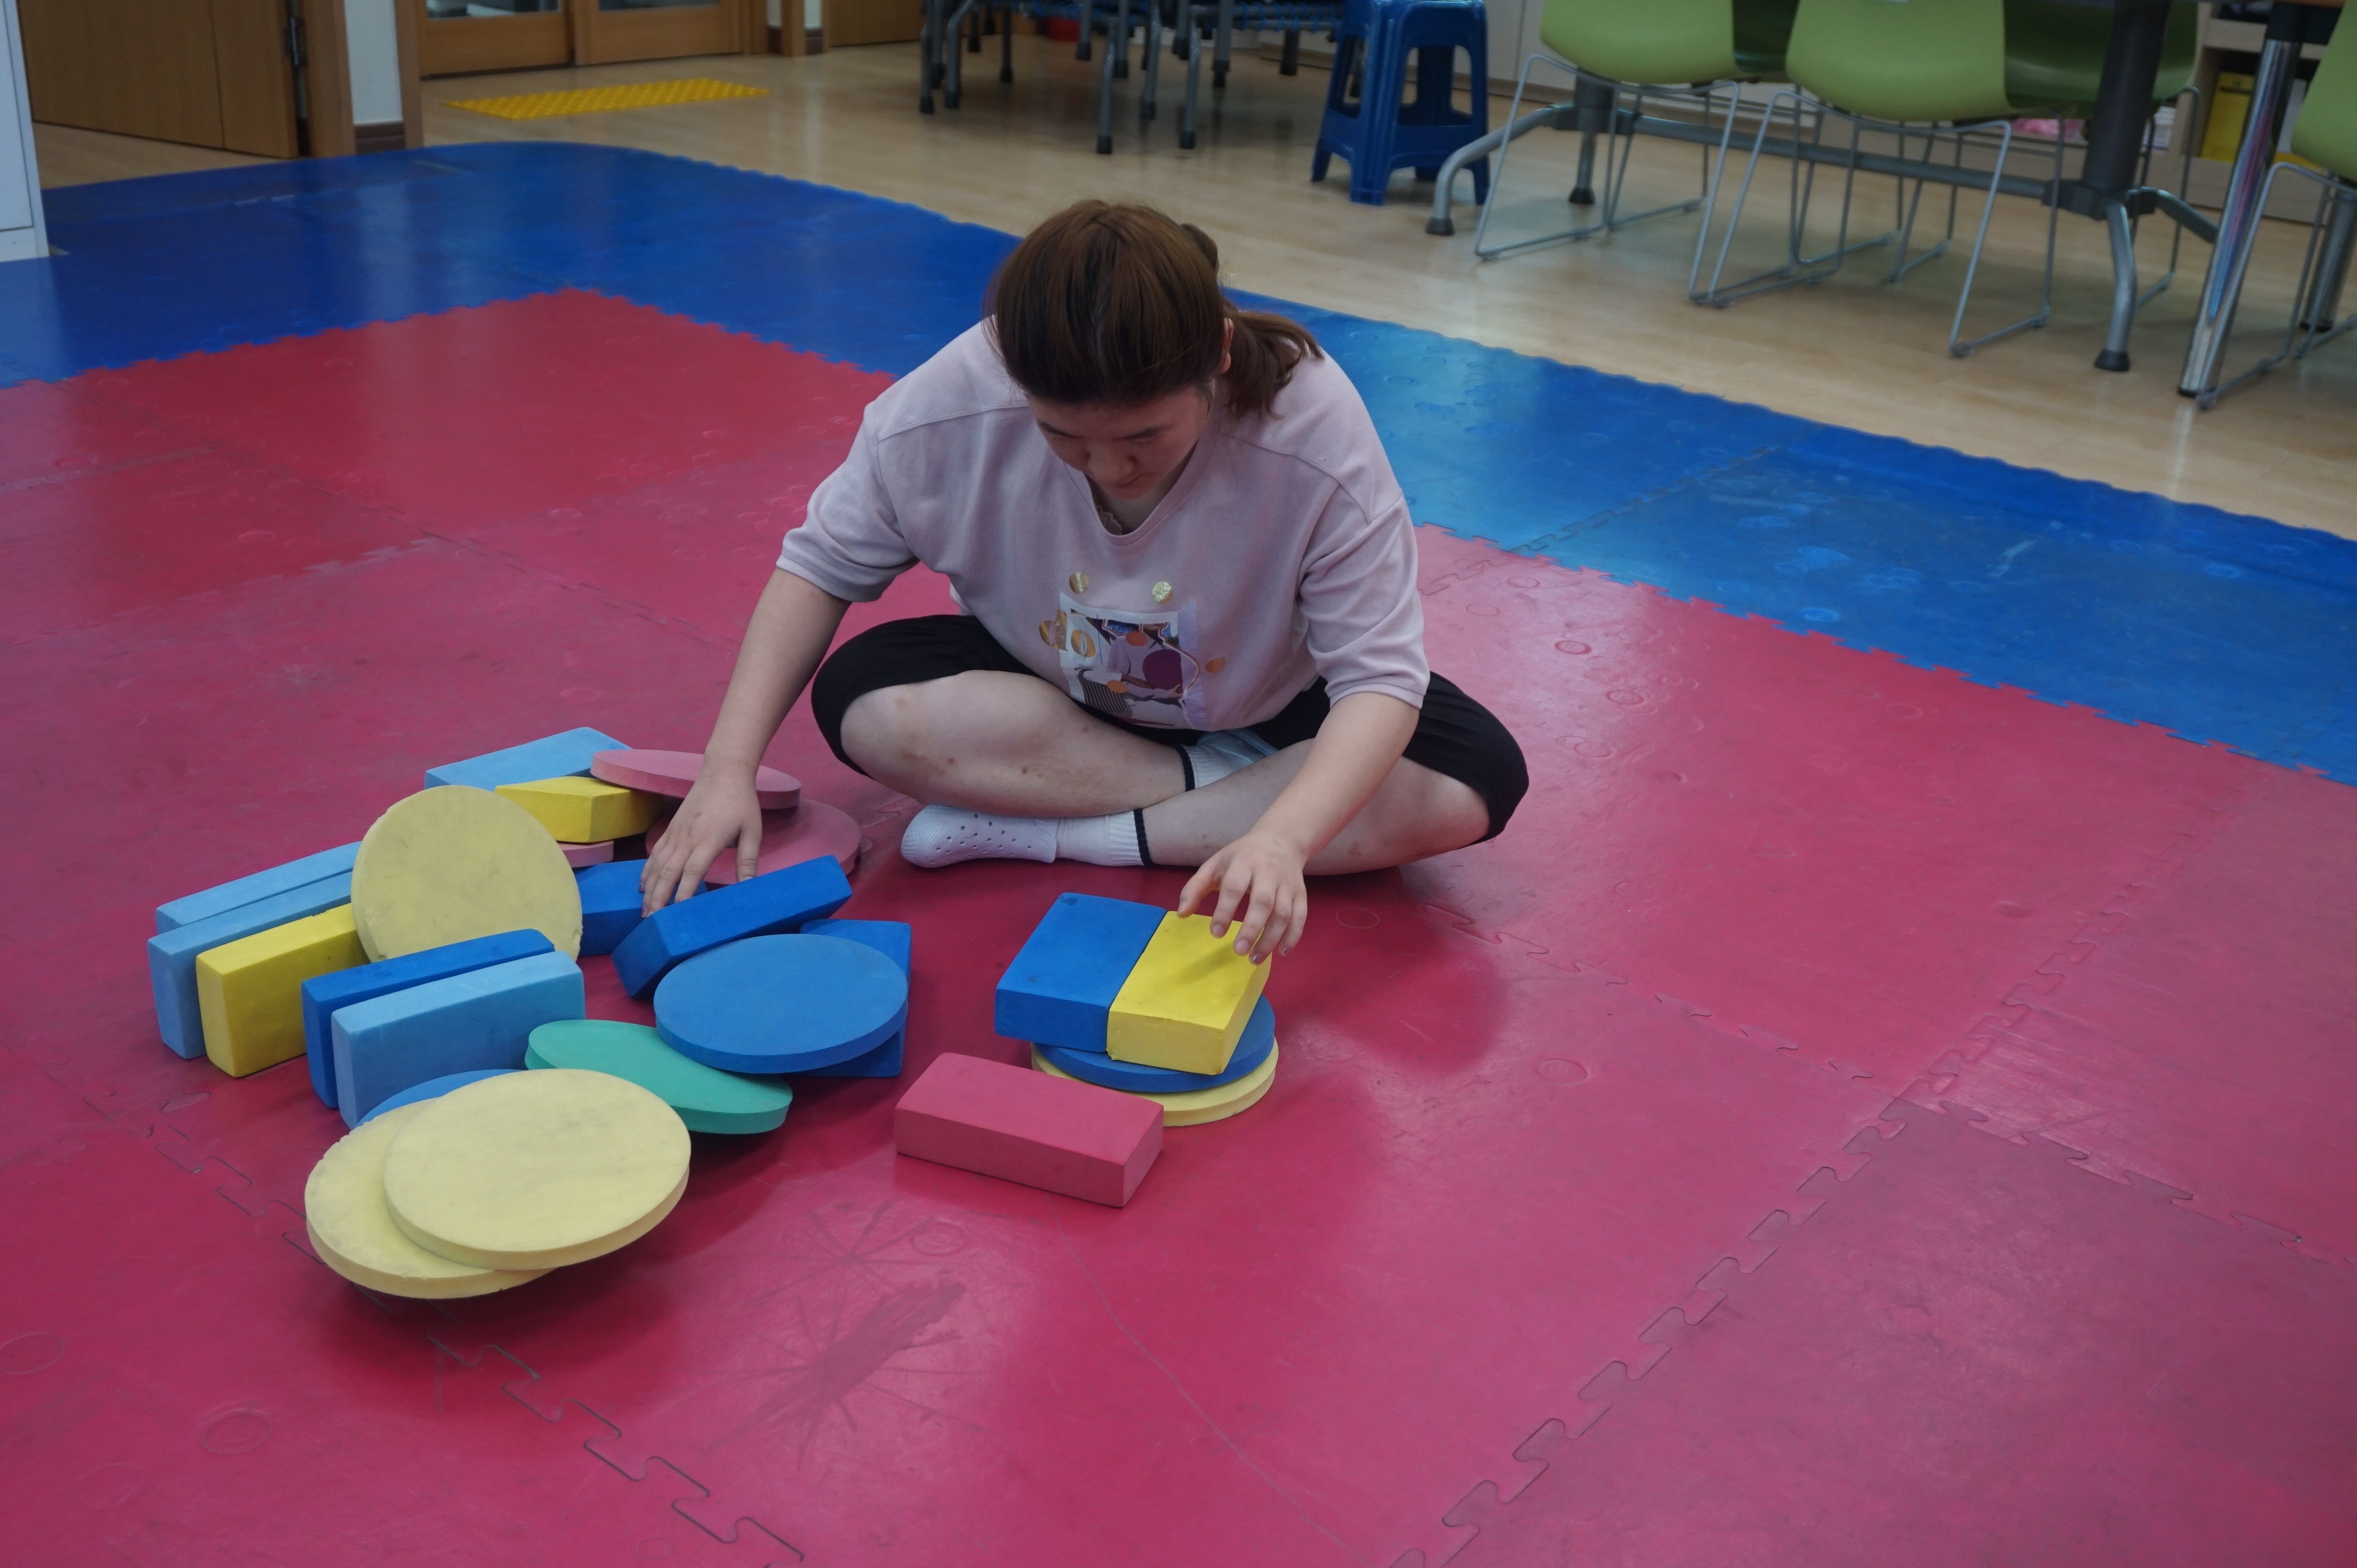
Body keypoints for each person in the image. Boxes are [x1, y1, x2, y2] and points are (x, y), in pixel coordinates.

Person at [641, 200, 1525, 960]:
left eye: (1145, 436)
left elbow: (1378, 678)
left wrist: (1283, 841)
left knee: (1469, 783)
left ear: (1218, 356)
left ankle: (1068, 833)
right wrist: (728, 769)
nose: (1109, 466)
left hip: (1271, 696)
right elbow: (817, 569)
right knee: (868, 704)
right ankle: (1222, 789)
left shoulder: (1313, 433)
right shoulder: (946, 407)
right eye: (1063, 436)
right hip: (1058, 692)